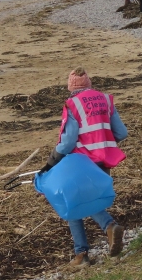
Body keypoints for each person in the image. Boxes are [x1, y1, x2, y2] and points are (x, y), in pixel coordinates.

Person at [39, 67, 128, 268]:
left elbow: (68, 140)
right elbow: (122, 133)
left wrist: (52, 160)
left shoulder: (72, 104)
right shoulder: (105, 99)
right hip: (103, 159)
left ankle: (103, 232)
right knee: (87, 199)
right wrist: (102, 141)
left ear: (71, 87)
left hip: (81, 162)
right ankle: (83, 253)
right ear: (89, 83)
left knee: (74, 201)